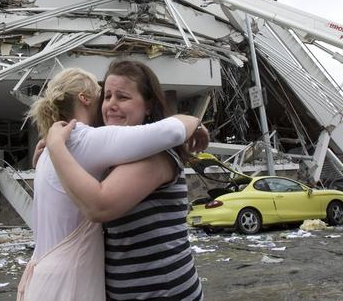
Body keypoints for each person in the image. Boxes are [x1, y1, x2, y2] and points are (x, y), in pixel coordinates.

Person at [18, 67, 206, 301]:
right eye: (106, 97)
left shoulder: (154, 156)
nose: (110, 104)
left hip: (163, 292)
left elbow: (100, 206)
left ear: (148, 105)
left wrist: (56, 149)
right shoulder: (103, 151)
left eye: (123, 97)